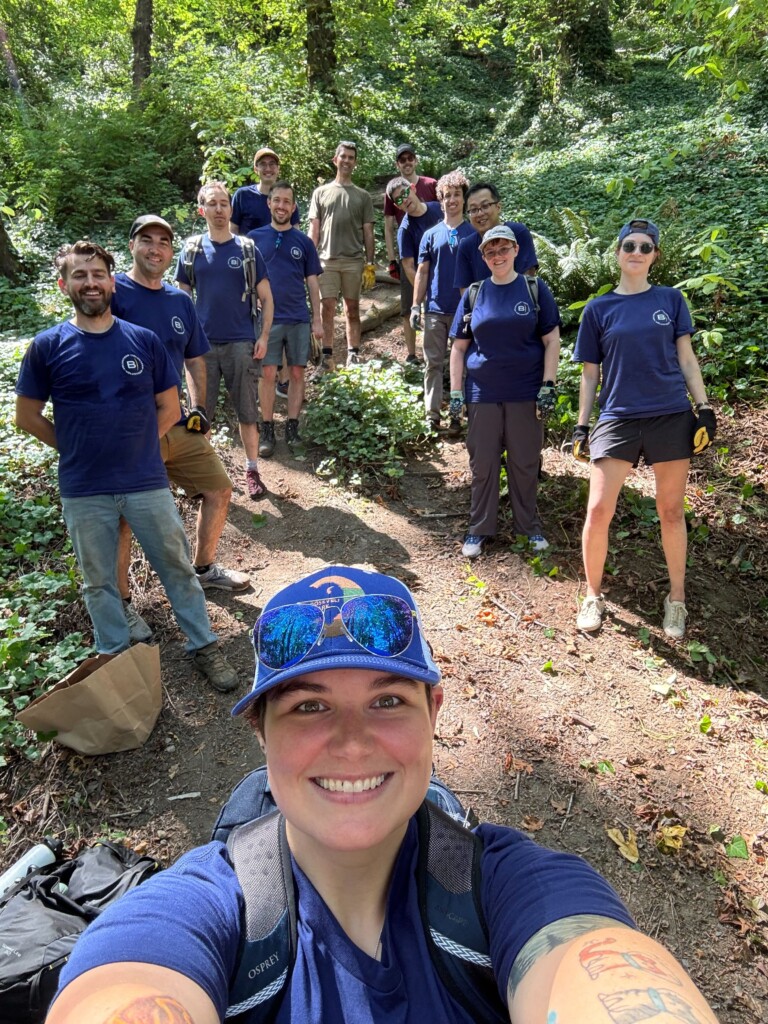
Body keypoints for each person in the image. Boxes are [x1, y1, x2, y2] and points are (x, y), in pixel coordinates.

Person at [46, 564, 719, 1024]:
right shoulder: (200, 912)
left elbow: (591, 967)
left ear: (435, 712)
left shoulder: (513, 888)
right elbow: (130, 981)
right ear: (261, 734)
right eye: (309, 708)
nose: (351, 741)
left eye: (388, 701)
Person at [15, 241, 239, 692]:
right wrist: (74, 448)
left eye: (98, 274)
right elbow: (27, 416)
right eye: (79, 275)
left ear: (111, 282)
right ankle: (116, 662)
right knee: (98, 582)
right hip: (84, 488)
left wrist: (138, 445)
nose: (91, 282)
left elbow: (169, 407)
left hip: (145, 480)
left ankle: (204, 646)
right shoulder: (47, 347)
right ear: (64, 285)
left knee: (176, 567)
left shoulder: (143, 341)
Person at [571, 219, 716, 639]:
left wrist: (703, 409)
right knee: (598, 511)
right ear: (617, 252)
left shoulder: (671, 300)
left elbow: (687, 360)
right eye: (629, 244)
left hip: (671, 413)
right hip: (617, 416)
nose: (636, 251)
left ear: (654, 256)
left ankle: (677, 599)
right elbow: (589, 375)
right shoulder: (599, 309)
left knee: (670, 511)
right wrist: (582, 426)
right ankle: (593, 594)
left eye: (645, 246)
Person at [112, 215, 250, 638]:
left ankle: (205, 567)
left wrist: (200, 407)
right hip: (130, 428)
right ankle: (120, 606)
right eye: (147, 240)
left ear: (172, 253)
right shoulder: (113, 291)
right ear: (132, 245)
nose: (156, 248)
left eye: (164, 242)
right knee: (124, 518)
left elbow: (194, 358)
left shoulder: (179, 301)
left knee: (219, 489)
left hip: (177, 422)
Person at [450, 226, 562, 559]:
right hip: (482, 392)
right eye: (490, 252)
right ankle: (479, 528)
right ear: (483, 258)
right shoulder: (474, 293)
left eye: (503, 250)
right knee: (482, 463)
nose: (497, 256)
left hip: (526, 390)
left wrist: (549, 384)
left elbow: (551, 340)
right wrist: (456, 392)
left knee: (525, 462)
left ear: (515, 250)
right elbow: (458, 348)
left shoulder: (534, 289)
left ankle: (528, 527)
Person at [175, 181, 274, 501]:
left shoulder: (247, 249)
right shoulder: (191, 250)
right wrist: (181, 339)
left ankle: (252, 470)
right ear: (202, 210)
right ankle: (201, 475)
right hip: (200, 350)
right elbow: (180, 298)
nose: (219, 209)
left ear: (231, 209)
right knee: (198, 415)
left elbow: (267, 299)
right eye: (213, 204)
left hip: (241, 344)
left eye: (224, 204)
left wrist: (263, 337)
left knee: (248, 411)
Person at [248, 181, 323, 456]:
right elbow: (245, 279)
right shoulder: (253, 239)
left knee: (296, 372)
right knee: (267, 373)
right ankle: (267, 429)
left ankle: (293, 427)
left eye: (286, 202)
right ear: (269, 203)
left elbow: (313, 283)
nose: (281, 206)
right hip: (266, 321)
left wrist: (317, 320)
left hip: (298, 318)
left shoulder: (303, 242)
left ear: (293, 207)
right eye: (276, 200)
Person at [411, 170, 473, 430]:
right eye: (447, 196)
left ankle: (458, 415)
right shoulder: (430, 234)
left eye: (457, 195)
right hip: (435, 309)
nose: (452, 200)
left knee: (462, 368)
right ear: (441, 199)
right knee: (433, 364)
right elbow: (422, 272)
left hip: (464, 310)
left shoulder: (473, 232)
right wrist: (416, 305)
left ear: (463, 198)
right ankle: (432, 415)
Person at [308, 141, 376, 369]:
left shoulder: (363, 196)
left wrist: (370, 263)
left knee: (352, 308)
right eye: (343, 156)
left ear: (355, 163)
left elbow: (368, 230)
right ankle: (327, 356)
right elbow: (314, 231)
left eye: (351, 157)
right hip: (326, 261)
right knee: (326, 307)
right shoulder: (321, 193)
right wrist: (308, 260)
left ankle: (353, 353)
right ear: (335, 160)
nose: (347, 160)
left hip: (353, 261)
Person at [383, 143, 438, 363]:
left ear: (415, 160)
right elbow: (388, 225)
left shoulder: (431, 185)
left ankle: (443, 351)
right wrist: (391, 259)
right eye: (402, 160)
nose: (406, 162)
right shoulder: (393, 193)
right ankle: (411, 354)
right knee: (409, 306)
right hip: (409, 251)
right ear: (397, 164)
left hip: (439, 254)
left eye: (409, 158)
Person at [454, 182, 538, 295]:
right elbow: (466, 292)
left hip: (519, 306)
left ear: (498, 207)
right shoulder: (466, 246)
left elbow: (528, 277)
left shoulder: (518, 233)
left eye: (485, 206)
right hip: (483, 310)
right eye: (473, 210)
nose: (480, 213)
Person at [230, 146, 301, 236]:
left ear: (278, 168)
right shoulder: (242, 196)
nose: (268, 168)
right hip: (248, 249)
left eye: (272, 164)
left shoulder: (287, 200)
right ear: (256, 169)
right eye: (263, 164)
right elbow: (232, 231)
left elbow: (296, 234)